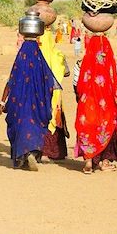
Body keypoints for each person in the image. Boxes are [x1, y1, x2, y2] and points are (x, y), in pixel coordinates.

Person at [73, 33, 117, 174]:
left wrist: (82, 99)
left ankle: (88, 162)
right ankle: (105, 162)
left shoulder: (81, 64)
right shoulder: (112, 65)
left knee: (88, 129)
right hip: (107, 104)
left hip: (87, 104)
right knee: (106, 129)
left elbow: (76, 85)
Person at [0, 36, 57, 171]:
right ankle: (32, 153)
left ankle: (23, 156)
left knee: (19, 128)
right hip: (37, 106)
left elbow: (10, 82)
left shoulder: (20, 63)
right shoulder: (41, 66)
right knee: (35, 128)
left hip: (19, 104)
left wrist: (3, 101)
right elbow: (50, 85)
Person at [39, 24, 70, 160]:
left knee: (41, 116)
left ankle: (40, 150)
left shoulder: (34, 54)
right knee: (55, 117)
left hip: (39, 92)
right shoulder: (58, 55)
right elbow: (67, 72)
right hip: (56, 92)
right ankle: (56, 152)